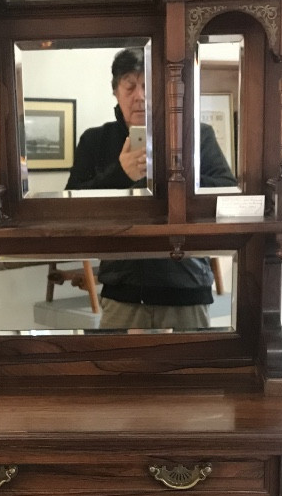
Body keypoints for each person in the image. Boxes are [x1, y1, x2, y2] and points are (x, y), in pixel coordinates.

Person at [65, 48, 236, 331]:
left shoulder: (196, 134)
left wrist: (172, 170)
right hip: (122, 289)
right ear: (116, 91)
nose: (139, 95)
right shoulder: (95, 141)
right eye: (130, 85)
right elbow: (72, 206)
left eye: (146, 86)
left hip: (188, 284)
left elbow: (227, 192)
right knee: (117, 372)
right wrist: (120, 173)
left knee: (192, 373)